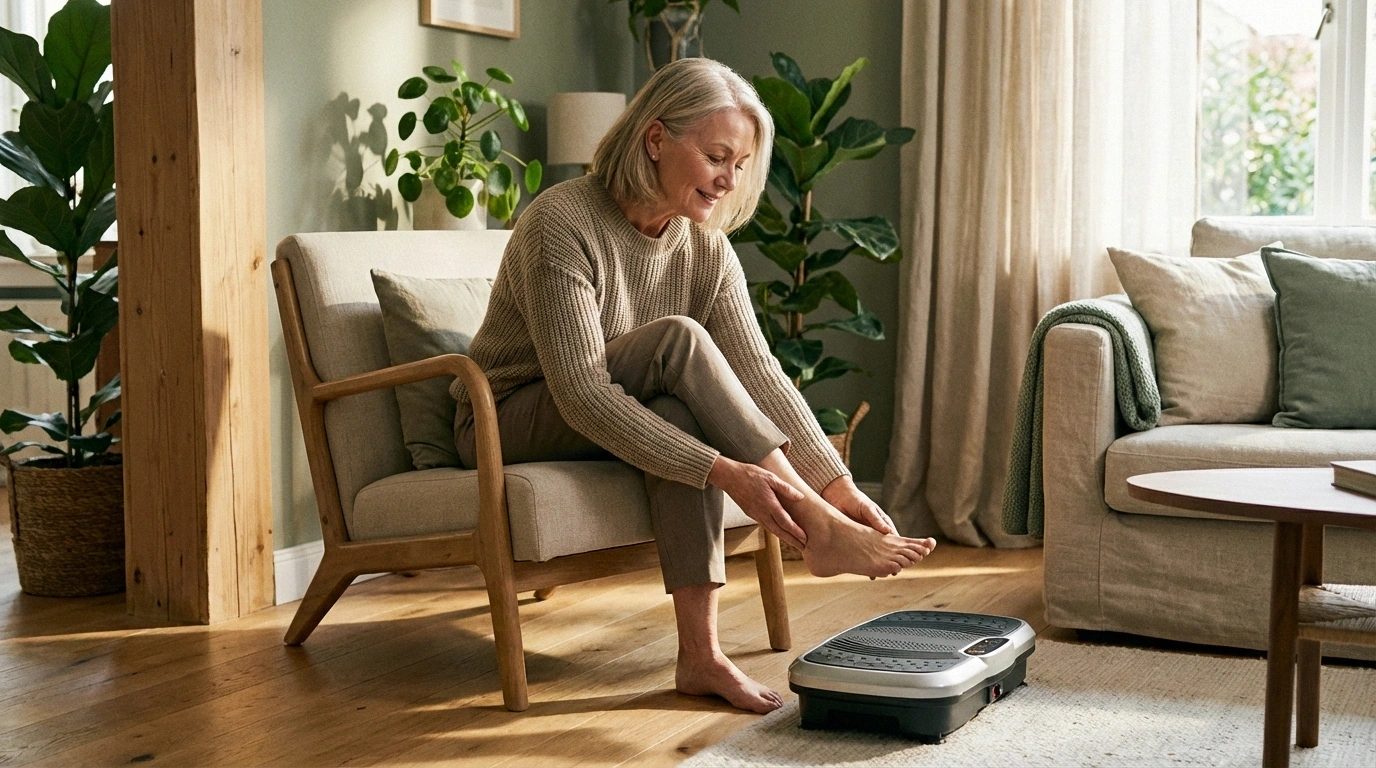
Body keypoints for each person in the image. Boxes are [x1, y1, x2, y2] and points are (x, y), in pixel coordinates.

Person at [452, 57, 937, 714]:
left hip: (605, 407)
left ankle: (701, 657)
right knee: (678, 337)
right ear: (656, 140)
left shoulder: (703, 248)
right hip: (505, 417)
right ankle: (812, 527)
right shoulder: (560, 221)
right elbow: (582, 393)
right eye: (716, 156)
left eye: (740, 164)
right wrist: (726, 472)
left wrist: (839, 482)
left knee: (679, 410)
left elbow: (761, 373)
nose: (729, 180)